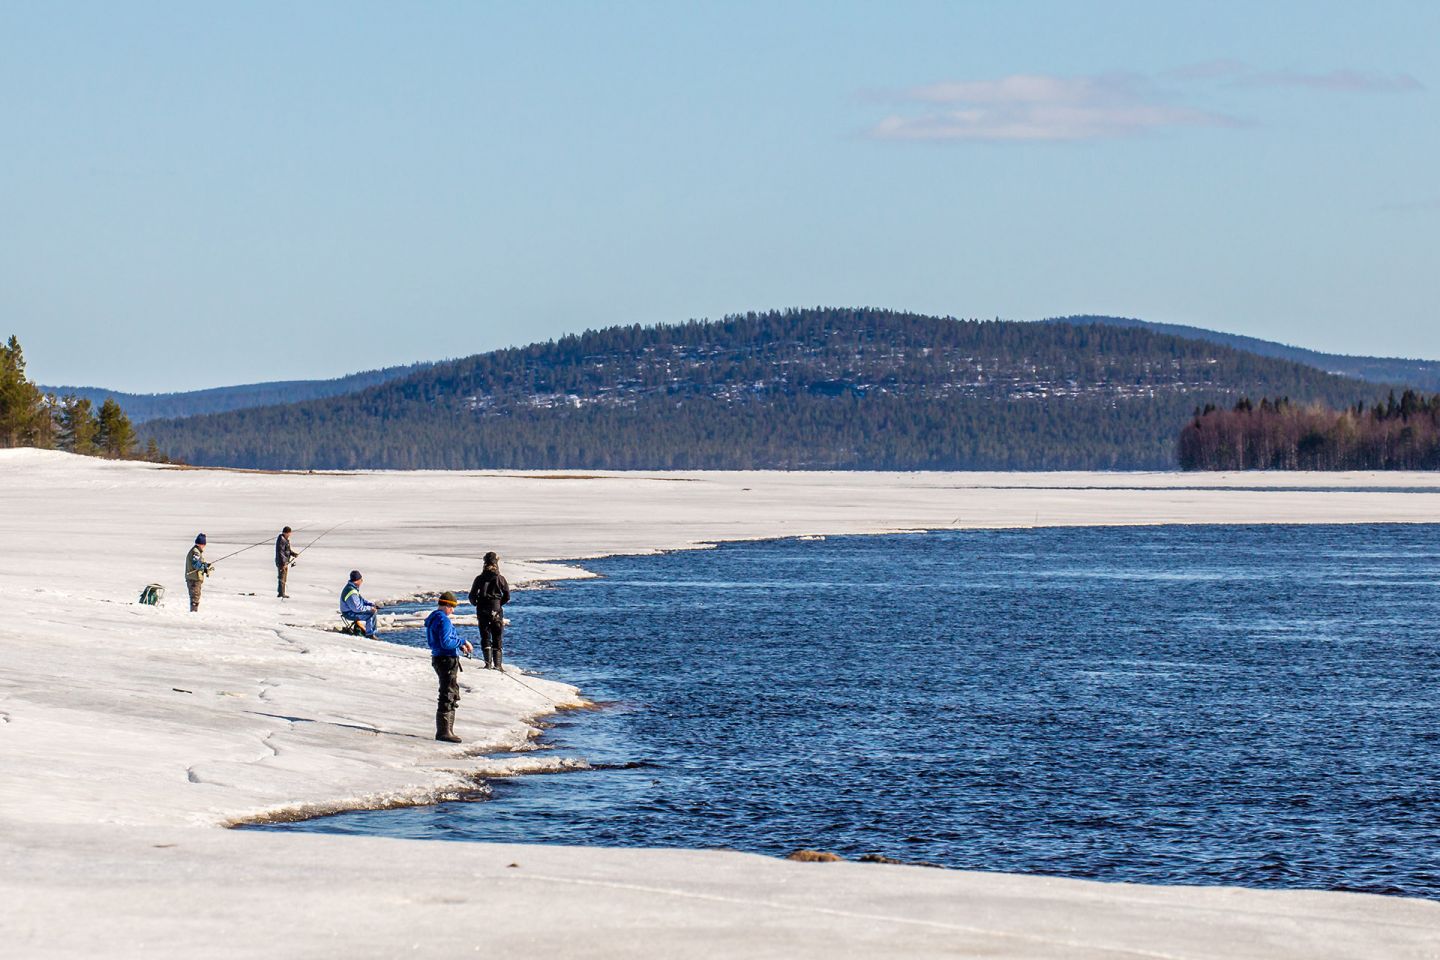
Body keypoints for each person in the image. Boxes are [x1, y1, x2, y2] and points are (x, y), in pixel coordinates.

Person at [425, 591, 472, 742]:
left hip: (439, 658)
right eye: (452, 607)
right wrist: (462, 642)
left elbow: (447, 639)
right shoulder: (443, 620)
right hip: (446, 660)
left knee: (450, 691)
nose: (453, 611)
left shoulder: (434, 618)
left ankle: (448, 730)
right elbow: (446, 642)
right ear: (446, 605)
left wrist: (459, 643)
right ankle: (444, 732)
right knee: (447, 693)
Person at [468, 551, 511, 670]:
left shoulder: (479, 578)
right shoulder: (500, 578)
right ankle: (498, 665)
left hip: (482, 610)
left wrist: (476, 603)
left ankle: (487, 664)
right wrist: (498, 604)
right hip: (496, 610)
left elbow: (471, 595)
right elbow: (507, 595)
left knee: (485, 636)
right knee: (497, 637)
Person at [339, 570, 380, 637]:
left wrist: (371, 604)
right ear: (357, 581)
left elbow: (361, 600)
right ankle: (370, 635)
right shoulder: (351, 592)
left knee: (372, 611)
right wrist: (370, 609)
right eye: (361, 580)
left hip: (350, 610)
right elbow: (357, 608)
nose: (362, 581)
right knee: (371, 614)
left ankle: (369, 632)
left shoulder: (352, 587)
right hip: (348, 613)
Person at [184, 534, 211, 612]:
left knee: (195, 596)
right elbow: (196, 564)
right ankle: (193, 613)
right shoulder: (196, 552)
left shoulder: (196, 550)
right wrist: (203, 567)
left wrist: (204, 565)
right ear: (202, 544)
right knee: (195, 597)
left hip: (193, 577)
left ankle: (193, 612)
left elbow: (197, 562)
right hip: (194, 578)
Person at [274, 526, 299, 598]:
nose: (290, 535)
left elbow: (287, 551)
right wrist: (284, 563)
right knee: (282, 577)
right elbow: (281, 552)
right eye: (289, 533)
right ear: (286, 533)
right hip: (281, 562)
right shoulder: (281, 540)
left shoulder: (285, 539)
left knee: (283, 577)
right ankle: (281, 593)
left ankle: (281, 592)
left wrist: (293, 554)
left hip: (284, 562)